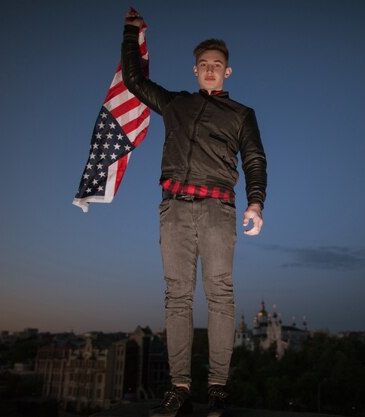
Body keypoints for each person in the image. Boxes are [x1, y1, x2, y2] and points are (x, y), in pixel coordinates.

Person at [122, 9, 267, 417]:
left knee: (220, 294)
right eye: (203, 65)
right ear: (195, 69)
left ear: (227, 71)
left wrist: (256, 202)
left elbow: (255, 159)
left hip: (218, 208)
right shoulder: (175, 104)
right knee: (177, 297)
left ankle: (218, 387)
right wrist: (130, 34)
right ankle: (180, 387)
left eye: (216, 66)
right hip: (174, 209)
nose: (209, 70)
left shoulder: (241, 114)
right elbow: (134, 82)